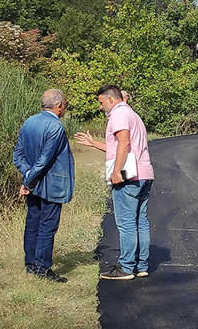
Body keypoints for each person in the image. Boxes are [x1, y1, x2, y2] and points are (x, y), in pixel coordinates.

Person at [74, 85, 154, 280]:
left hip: (128, 175)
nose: (100, 107)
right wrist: (93, 143)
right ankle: (141, 265)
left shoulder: (118, 114)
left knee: (126, 223)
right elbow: (119, 145)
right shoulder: (133, 115)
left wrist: (117, 171)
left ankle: (126, 267)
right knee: (140, 221)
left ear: (111, 99)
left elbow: (124, 142)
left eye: (101, 102)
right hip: (144, 173)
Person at [13, 89, 74, 283]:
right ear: (58, 106)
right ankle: (42, 268)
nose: (65, 108)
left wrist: (28, 178)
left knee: (32, 223)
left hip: (34, 184)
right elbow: (44, 160)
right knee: (47, 226)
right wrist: (29, 180)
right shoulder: (55, 127)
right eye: (64, 104)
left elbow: (18, 156)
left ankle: (31, 264)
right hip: (51, 184)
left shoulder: (29, 122)